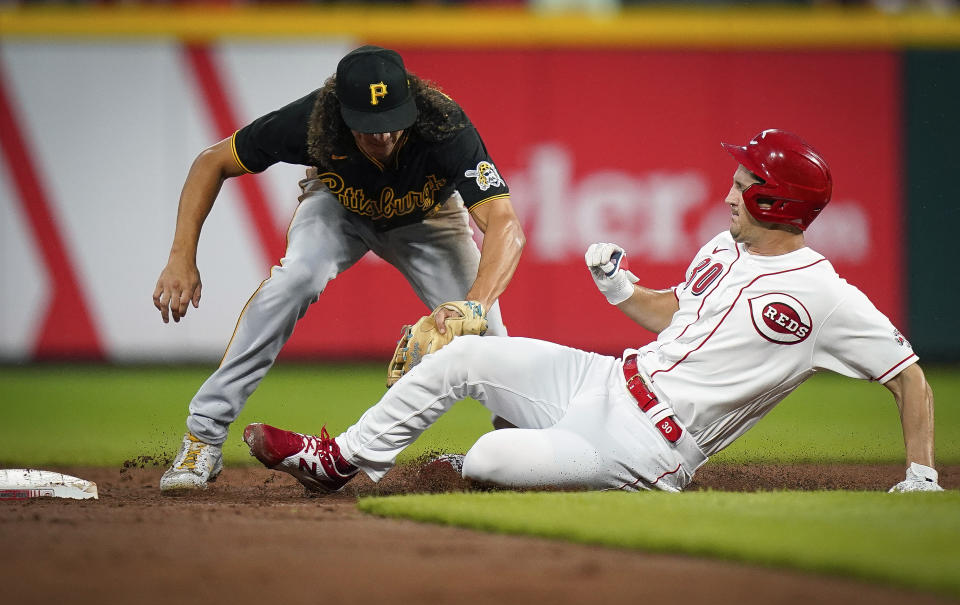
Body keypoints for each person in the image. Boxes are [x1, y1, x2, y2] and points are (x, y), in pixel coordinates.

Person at [241, 129, 944, 494]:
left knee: (485, 457)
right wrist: (619, 288)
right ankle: (337, 460)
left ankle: (481, 470)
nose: (730, 193)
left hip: (651, 448)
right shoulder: (724, 248)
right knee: (465, 355)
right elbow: (674, 318)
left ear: (775, 202)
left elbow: (908, 376)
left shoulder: (825, 296)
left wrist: (920, 474)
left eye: (744, 184)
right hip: (607, 380)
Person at [155, 45, 525, 491]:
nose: (384, 137)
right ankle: (203, 437)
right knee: (297, 278)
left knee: (492, 339)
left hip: (429, 221)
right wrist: (181, 255)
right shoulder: (313, 120)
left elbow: (505, 224)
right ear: (342, 114)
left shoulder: (443, 124)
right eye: (371, 129)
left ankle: (518, 450)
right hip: (338, 210)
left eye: (393, 122)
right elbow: (211, 162)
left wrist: (474, 306)